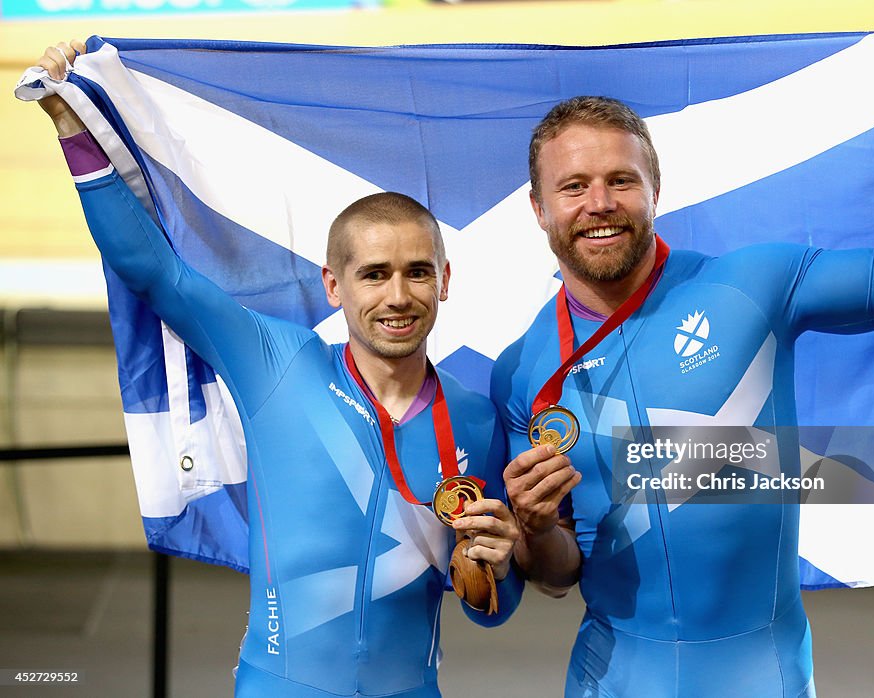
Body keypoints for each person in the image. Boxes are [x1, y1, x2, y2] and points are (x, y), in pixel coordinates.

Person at [492, 30, 874, 697]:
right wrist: (532, 528)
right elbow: (557, 576)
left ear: (655, 190)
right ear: (539, 209)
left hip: (763, 675)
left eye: (621, 181)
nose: (600, 204)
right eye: (573, 186)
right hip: (612, 679)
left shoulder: (753, 284)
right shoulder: (522, 370)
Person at [32, 41, 523, 698]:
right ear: (334, 285)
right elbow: (156, 272)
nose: (399, 296)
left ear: (445, 281)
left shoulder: (474, 417)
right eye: (374, 275)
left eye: (417, 273)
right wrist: (73, 125)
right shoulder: (278, 365)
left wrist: (496, 569)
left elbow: (487, 605)